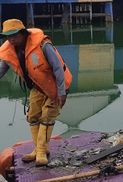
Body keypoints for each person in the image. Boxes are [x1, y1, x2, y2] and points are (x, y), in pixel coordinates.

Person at [0, 19, 72, 166]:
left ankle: (41, 152)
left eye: (14, 35)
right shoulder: (10, 50)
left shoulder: (43, 45)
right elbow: (2, 69)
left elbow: (57, 68)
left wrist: (61, 92)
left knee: (47, 116)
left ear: (23, 33)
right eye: (8, 36)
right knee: (33, 115)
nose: (11, 39)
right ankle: (39, 149)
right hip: (38, 87)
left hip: (56, 86)